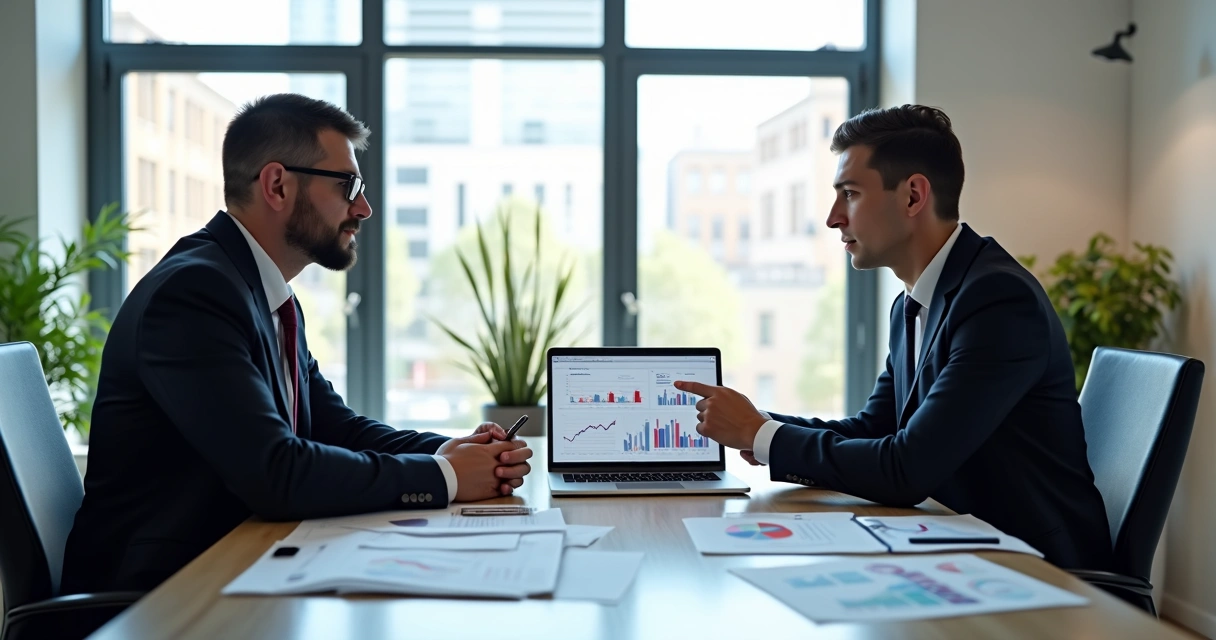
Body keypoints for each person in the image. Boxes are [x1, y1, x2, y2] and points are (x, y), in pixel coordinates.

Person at [62, 94, 533, 593]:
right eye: (347, 185)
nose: (364, 208)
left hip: (236, 567)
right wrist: (447, 478)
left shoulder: (258, 290)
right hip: (156, 598)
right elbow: (277, 473)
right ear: (277, 185)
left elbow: (336, 428)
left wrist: (453, 450)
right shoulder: (193, 295)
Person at [676, 105, 1113, 570]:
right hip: (962, 546)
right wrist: (758, 421)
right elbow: (875, 429)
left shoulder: (998, 300)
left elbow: (907, 469)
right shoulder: (915, 303)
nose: (832, 218)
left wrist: (761, 435)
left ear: (912, 196)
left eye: (850, 194)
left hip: (1043, 569)